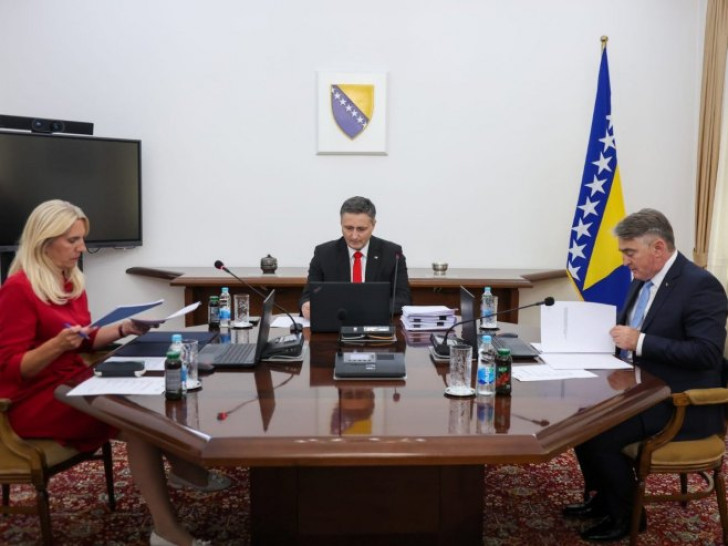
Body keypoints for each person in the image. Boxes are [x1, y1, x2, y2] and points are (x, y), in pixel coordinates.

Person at [0, 200, 225, 546]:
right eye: (73, 240)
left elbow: (85, 340)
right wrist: (56, 346)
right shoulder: (18, 289)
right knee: (136, 422)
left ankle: (186, 472)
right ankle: (167, 529)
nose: (82, 248)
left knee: (148, 400)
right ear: (44, 242)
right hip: (37, 400)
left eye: (82, 239)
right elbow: (11, 367)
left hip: (74, 383)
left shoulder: (68, 281)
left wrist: (123, 328)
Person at [564, 208, 728, 542]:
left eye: (630, 252)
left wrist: (640, 341)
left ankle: (628, 518)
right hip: (639, 389)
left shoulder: (701, 286)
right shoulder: (642, 278)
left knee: (599, 434)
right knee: (579, 418)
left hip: (680, 401)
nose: (624, 261)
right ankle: (604, 499)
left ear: (658, 248)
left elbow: (707, 353)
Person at [299, 196, 412, 319]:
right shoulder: (324, 253)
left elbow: (403, 299)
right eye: (348, 228)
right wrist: (306, 305)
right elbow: (309, 295)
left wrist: (364, 310)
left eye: (361, 229)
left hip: (375, 322)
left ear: (373, 225)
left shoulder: (392, 254)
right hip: (337, 323)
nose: (354, 236)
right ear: (341, 223)